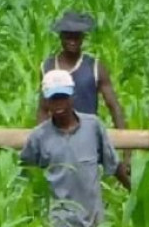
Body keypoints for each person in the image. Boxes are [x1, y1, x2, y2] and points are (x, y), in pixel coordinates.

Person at [21, 68, 131, 227]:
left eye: (62, 97)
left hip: (92, 224)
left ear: (72, 96)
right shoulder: (39, 137)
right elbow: (26, 175)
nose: (58, 104)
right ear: (46, 102)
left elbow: (113, 164)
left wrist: (136, 192)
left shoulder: (93, 127)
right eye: (53, 99)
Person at [37, 10, 130, 180]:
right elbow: (43, 109)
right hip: (58, 137)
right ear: (61, 37)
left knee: (123, 177)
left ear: (82, 38)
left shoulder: (94, 67)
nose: (72, 41)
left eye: (77, 37)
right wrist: (42, 143)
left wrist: (127, 151)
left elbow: (114, 107)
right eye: (68, 36)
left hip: (88, 137)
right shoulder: (48, 67)